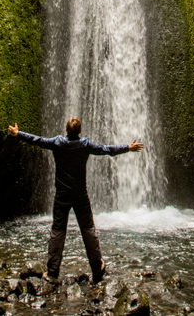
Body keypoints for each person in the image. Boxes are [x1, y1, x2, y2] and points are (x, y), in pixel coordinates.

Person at [8, 117, 144, 283]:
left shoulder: (57, 142)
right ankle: (96, 268)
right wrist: (127, 148)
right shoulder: (84, 144)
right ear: (80, 132)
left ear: (66, 131)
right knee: (88, 229)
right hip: (80, 194)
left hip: (62, 194)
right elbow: (105, 149)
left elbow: (37, 140)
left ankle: (52, 272)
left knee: (58, 231)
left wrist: (17, 133)